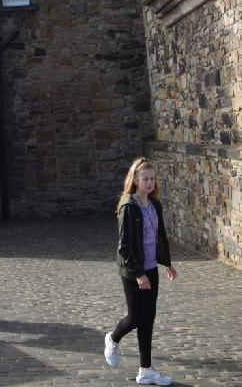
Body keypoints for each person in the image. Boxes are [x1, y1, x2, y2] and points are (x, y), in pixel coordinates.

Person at [103, 157, 177, 385]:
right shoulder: (129, 207)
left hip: (151, 267)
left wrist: (166, 262)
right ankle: (113, 338)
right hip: (133, 270)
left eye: (152, 178)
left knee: (148, 318)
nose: (149, 183)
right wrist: (139, 274)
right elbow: (124, 247)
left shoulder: (154, 204)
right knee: (136, 317)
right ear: (135, 180)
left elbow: (159, 236)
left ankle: (145, 370)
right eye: (145, 179)